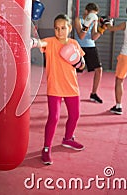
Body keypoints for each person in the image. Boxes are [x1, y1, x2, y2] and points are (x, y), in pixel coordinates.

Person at [38, 14, 86, 165]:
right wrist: (32, 38)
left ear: (69, 28)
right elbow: (39, 43)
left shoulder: (73, 43)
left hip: (71, 86)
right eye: (57, 28)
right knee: (54, 118)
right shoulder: (50, 42)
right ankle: (46, 148)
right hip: (55, 86)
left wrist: (77, 61)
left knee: (75, 115)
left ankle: (68, 139)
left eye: (63, 28)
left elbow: (83, 65)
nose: (60, 31)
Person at [74, 3, 104, 103]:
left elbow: (93, 37)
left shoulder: (94, 20)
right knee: (74, 72)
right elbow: (81, 36)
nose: (93, 17)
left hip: (91, 47)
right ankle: (68, 92)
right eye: (91, 14)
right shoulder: (78, 20)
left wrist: (102, 29)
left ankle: (94, 94)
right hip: (79, 48)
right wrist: (87, 24)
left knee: (99, 70)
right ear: (86, 11)